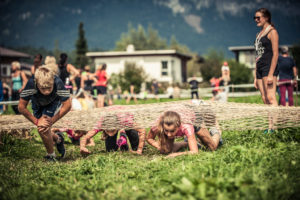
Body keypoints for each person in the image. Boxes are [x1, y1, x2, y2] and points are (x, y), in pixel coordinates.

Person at [18, 66, 72, 161]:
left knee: (42, 128)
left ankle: (51, 155)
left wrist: (52, 120)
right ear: (37, 83)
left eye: (49, 88)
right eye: (43, 88)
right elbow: (21, 107)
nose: (46, 91)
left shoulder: (57, 82)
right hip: (37, 104)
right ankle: (58, 139)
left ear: (52, 81)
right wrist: (36, 121)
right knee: (43, 127)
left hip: (52, 103)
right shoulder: (31, 83)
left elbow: (67, 105)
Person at [147, 109, 222, 158]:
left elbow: (195, 152)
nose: (169, 134)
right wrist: (158, 146)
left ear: (179, 126)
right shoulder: (158, 125)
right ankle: (187, 142)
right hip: (180, 114)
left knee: (212, 147)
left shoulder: (186, 126)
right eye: (166, 130)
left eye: (172, 131)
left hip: (195, 119)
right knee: (165, 150)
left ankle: (216, 131)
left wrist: (176, 155)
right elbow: (149, 138)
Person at [80, 106, 146, 155]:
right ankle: (122, 140)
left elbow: (142, 130)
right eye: (107, 131)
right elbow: (85, 137)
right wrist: (82, 147)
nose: (110, 134)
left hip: (124, 115)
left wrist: (139, 150)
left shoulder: (126, 121)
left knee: (135, 144)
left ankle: (124, 135)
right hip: (111, 113)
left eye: (112, 131)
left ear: (117, 126)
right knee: (110, 151)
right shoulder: (100, 124)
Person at [253, 8, 279, 106]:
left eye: (258, 17)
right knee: (264, 98)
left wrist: (271, 74)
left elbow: (276, 54)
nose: (256, 20)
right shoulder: (258, 35)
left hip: (268, 67)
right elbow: (257, 55)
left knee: (270, 97)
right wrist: (256, 76)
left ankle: (276, 122)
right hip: (259, 68)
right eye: (254, 18)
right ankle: (270, 122)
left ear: (266, 18)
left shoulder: (272, 32)